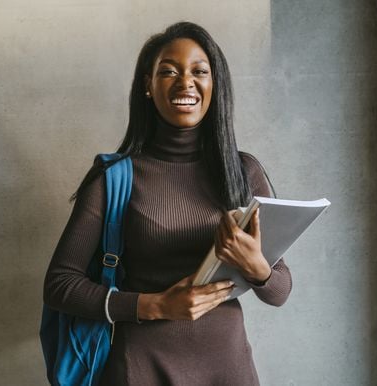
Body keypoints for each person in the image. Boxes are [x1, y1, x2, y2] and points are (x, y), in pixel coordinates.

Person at [43, 21, 292, 386]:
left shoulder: (243, 172)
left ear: (214, 84)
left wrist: (259, 269)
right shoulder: (113, 178)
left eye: (199, 71)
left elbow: (281, 290)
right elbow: (59, 285)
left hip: (228, 369)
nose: (185, 82)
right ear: (148, 85)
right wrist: (154, 305)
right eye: (168, 71)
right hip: (140, 368)